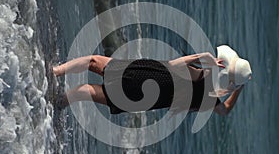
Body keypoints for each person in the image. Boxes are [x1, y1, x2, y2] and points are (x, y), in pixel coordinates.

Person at [53, 45, 252, 115]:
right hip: (140, 100)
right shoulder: (210, 100)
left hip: (144, 76)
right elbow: (225, 110)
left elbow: (173, 66)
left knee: (92, 61)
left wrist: (199, 57)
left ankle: (54, 72)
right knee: (87, 91)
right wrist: (238, 89)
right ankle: (57, 104)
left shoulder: (202, 75)